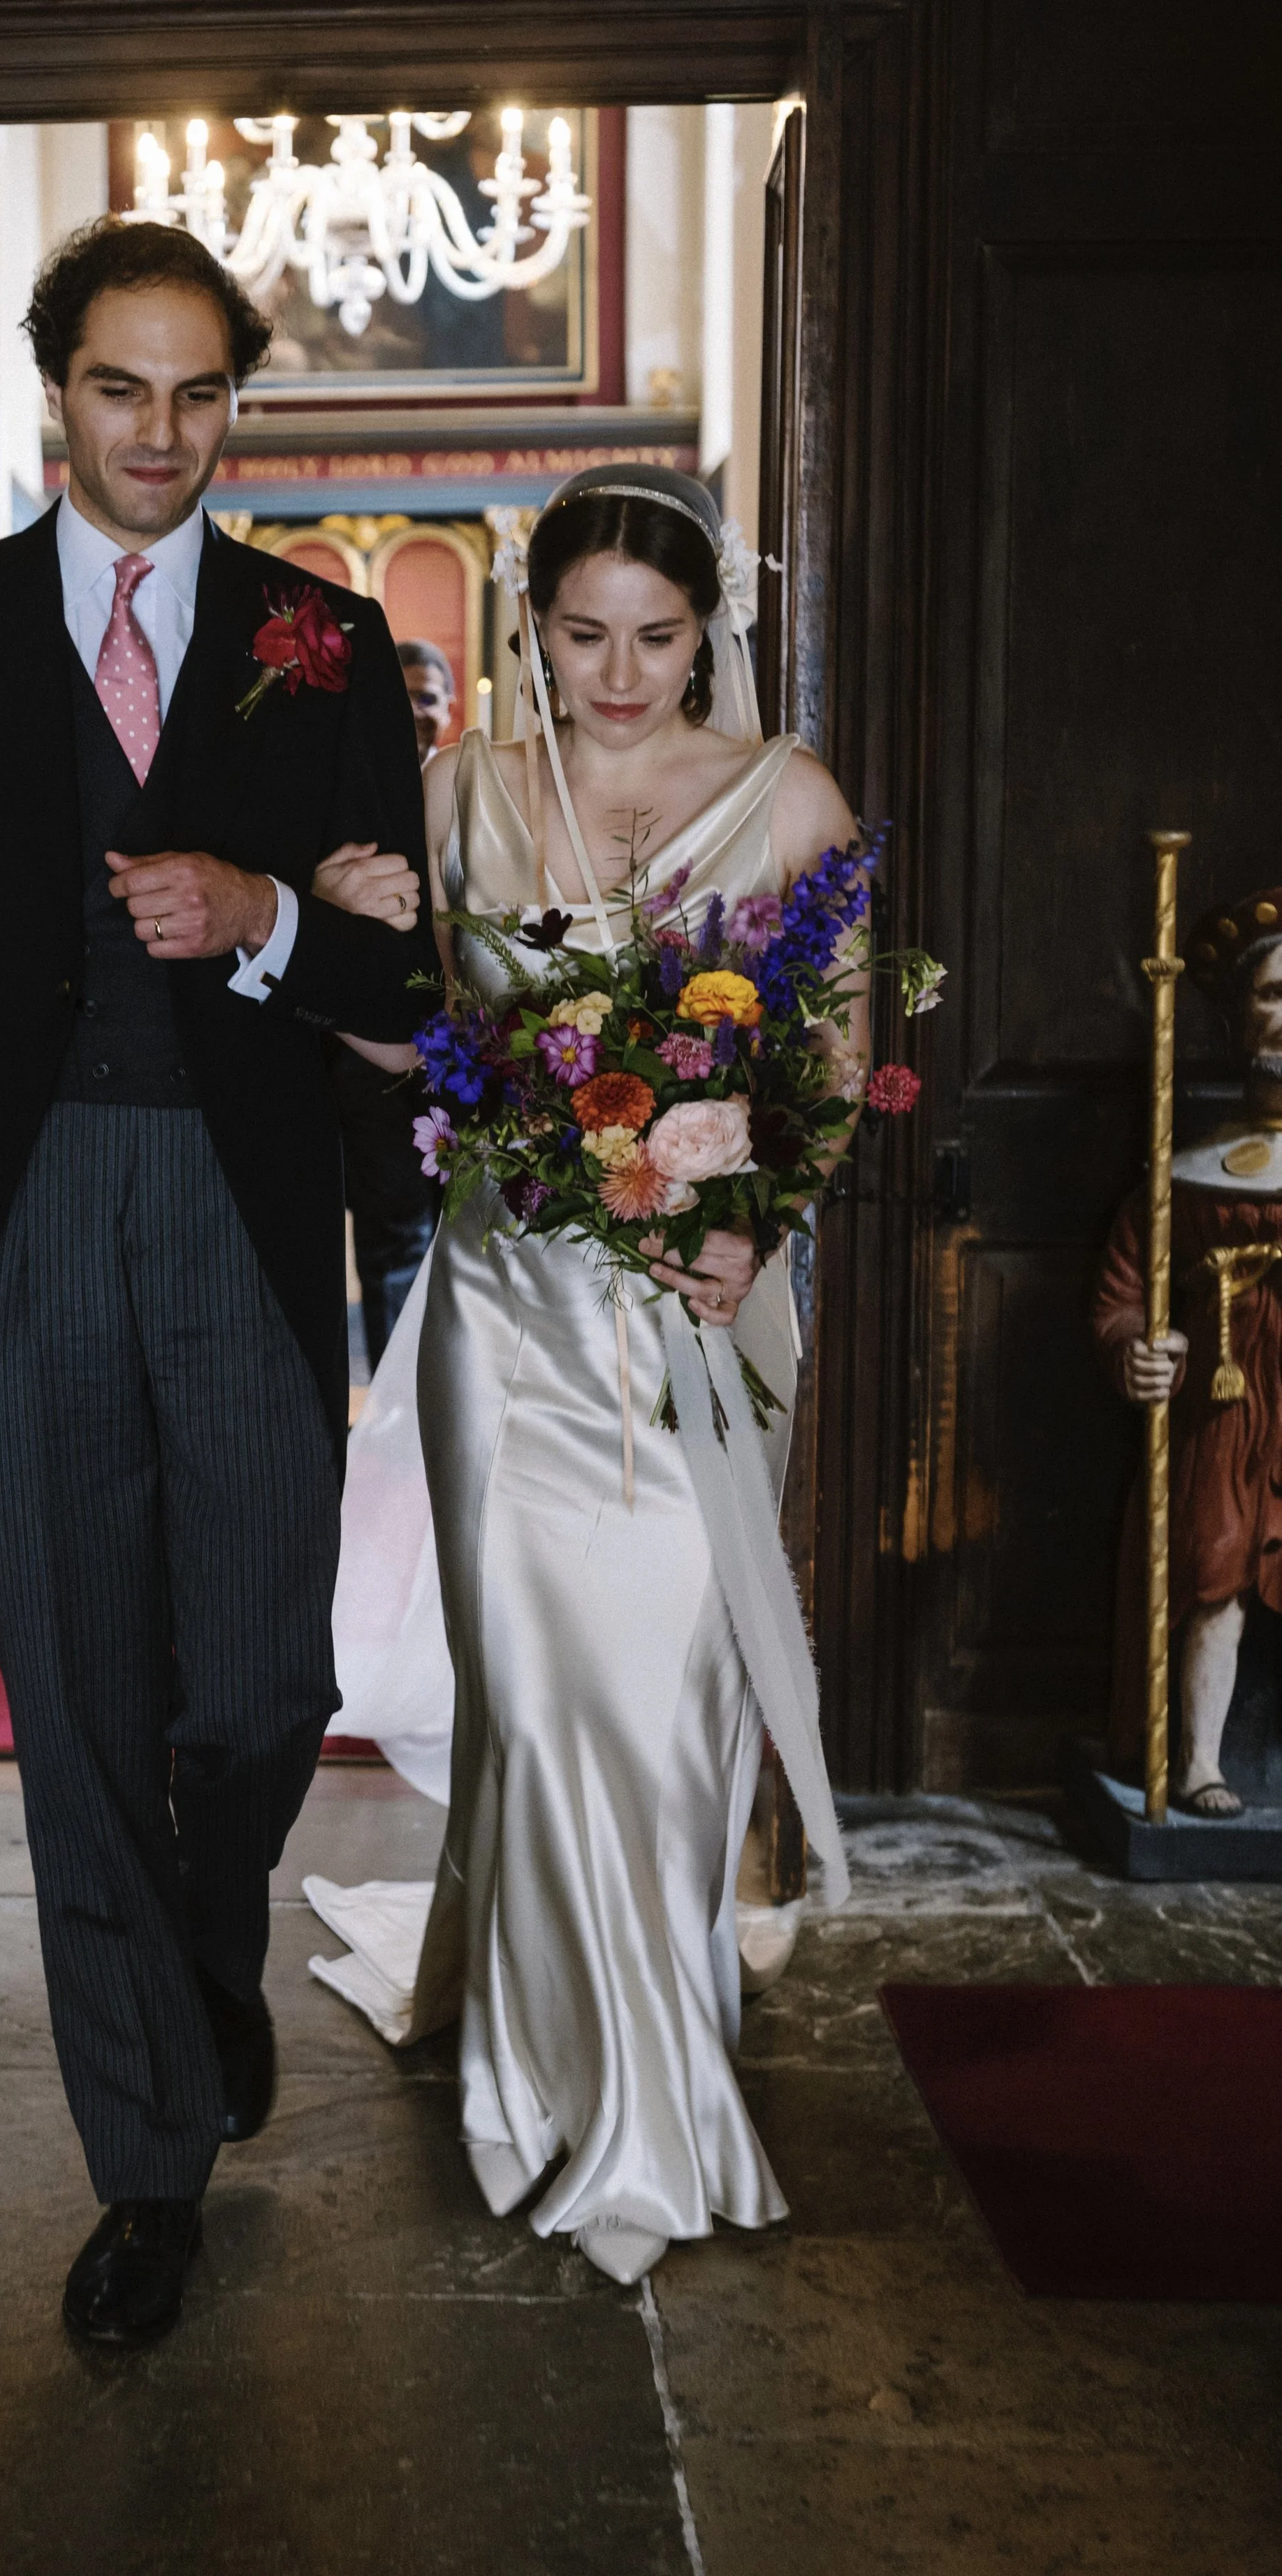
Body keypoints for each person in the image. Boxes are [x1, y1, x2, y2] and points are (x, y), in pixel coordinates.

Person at [0, 217, 435, 2347]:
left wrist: (270, 909)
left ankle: (206, 1936)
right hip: (12, 1235)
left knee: (261, 1681)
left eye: (198, 395)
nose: (160, 434)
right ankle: (147, 2164)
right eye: (120, 388)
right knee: (81, 1706)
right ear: (53, 387)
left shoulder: (324, 641)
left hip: (246, 1208)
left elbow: (408, 977)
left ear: (230, 405)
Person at [305, 466, 861, 2283]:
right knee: (541, 1698)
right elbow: (403, 1042)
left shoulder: (786, 806)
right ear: (527, 628)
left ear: (711, 636)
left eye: (658, 639)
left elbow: (834, 1063)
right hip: (512, 1309)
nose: (618, 676)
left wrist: (752, 1230)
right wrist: (332, 922)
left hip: (700, 1308)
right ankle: (566, 2079)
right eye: (579, 637)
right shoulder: (459, 796)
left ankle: (656, 2037)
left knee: (673, 1700)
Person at [1093, 891, 1282, 1818]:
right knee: (1215, 1562)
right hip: (1228, 1402)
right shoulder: (1195, 1171)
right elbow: (1127, 1292)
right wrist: (1138, 1348)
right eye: (1275, 995)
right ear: (1241, 1016)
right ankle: (1197, 1761)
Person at [324, 640, 456, 1372]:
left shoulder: (468, 792)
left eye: (429, 696)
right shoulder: (349, 787)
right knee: (394, 1246)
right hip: (369, 1070)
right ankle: (395, 1423)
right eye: (403, 694)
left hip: (467, 1066)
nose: (416, 710)